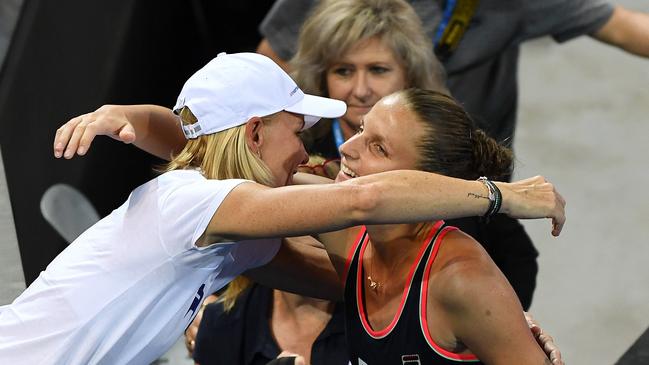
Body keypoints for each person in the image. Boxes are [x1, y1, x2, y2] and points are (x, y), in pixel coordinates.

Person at [0, 52, 564, 364]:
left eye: (374, 142)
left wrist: (498, 325)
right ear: (251, 134)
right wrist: (503, 195)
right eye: (298, 130)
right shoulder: (191, 201)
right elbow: (362, 200)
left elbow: (366, 288)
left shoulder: (227, 225)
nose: (322, 148)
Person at [280, 0, 540, 309]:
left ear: (410, 76)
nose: (361, 89)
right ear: (322, 77)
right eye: (344, 71)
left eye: (378, 70)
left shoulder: (444, 148)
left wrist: (501, 324)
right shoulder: (293, 146)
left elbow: (517, 256)